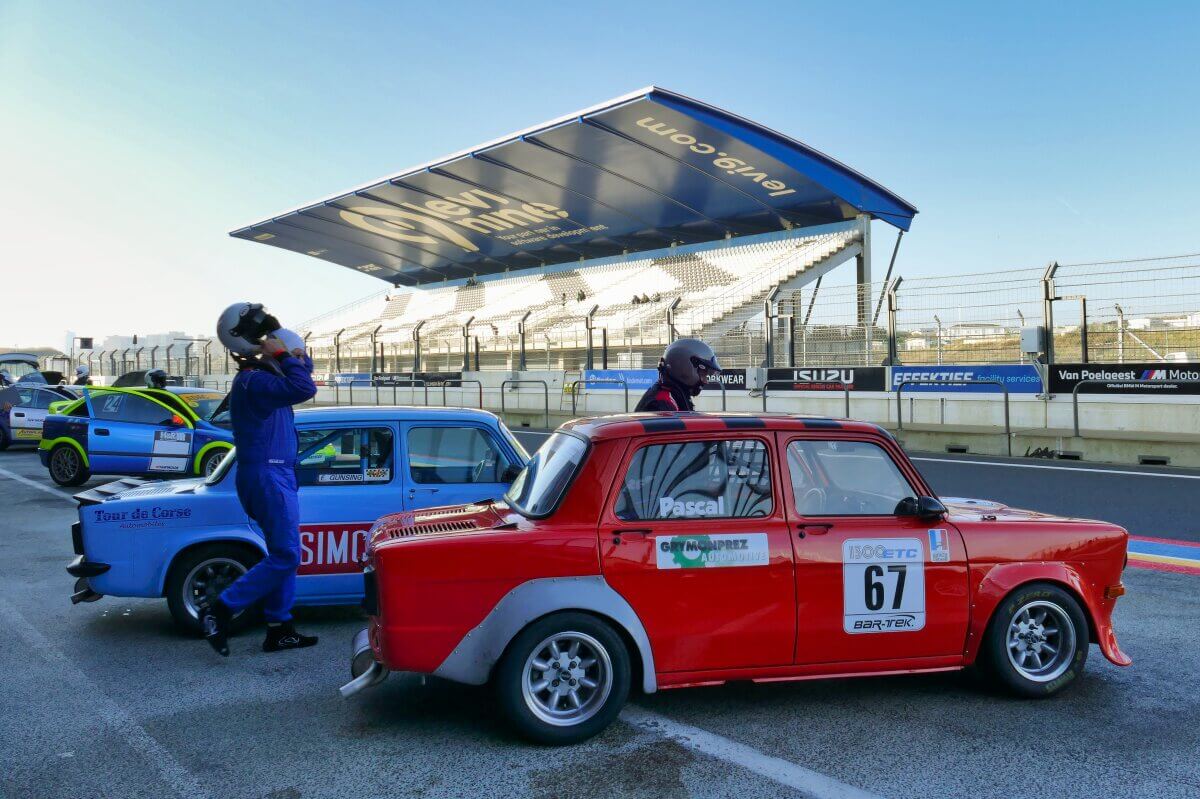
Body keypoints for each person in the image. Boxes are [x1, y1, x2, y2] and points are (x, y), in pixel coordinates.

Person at [200, 302, 318, 657]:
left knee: (283, 555)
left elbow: (301, 377)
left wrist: (294, 355)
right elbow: (303, 388)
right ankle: (219, 610)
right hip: (268, 475)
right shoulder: (256, 381)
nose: (272, 340)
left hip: (272, 474)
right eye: (265, 335)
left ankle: (279, 629)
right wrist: (287, 357)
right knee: (286, 556)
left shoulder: (263, 377)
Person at [634, 338, 722, 412]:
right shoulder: (662, 403)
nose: (705, 382)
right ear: (685, 368)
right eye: (703, 375)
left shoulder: (674, 395)